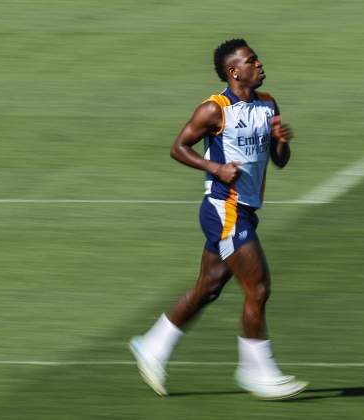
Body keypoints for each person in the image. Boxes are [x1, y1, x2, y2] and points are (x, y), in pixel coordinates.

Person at [128, 38, 307, 400]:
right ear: (233, 71)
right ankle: (257, 371)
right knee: (258, 288)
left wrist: (282, 141)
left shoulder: (268, 104)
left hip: (246, 210)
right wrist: (214, 167)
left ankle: (153, 345)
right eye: (251, 61)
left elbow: (280, 161)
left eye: (257, 59)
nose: (259, 64)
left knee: (208, 288)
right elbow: (178, 147)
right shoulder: (214, 109)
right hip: (223, 209)